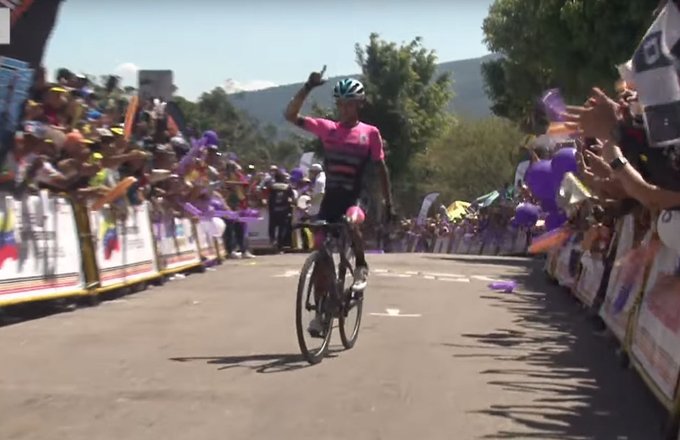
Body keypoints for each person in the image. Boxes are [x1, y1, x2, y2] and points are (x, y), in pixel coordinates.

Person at [284, 67, 395, 336]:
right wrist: (308, 86)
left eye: (350, 104)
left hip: (357, 197)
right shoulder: (328, 129)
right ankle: (323, 312)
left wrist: (389, 204)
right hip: (332, 199)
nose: (344, 108)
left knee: (351, 221)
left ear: (359, 104)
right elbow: (290, 116)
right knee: (321, 254)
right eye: (341, 104)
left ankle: (360, 266)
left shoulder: (370, 133)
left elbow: (381, 169)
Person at [268, 169, 295, 252]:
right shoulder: (287, 187)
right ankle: (280, 246)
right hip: (284, 210)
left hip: (274, 210)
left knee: (272, 227)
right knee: (282, 228)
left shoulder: (272, 186)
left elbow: (268, 198)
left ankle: (273, 241)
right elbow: (292, 198)